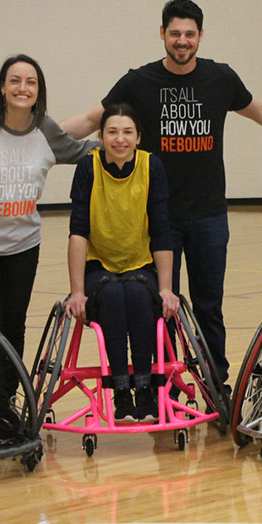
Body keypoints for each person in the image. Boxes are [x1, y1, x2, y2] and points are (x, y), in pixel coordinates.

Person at [60, 0, 262, 386]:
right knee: (163, 305)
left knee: (209, 306)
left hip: (209, 215)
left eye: (189, 34)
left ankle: (215, 382)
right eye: (174, 33)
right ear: (162, 34)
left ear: (200, 37)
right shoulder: (139, 81)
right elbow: (95, 118)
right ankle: (168, 381)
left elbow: (260, 111)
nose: (182, 41)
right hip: (159, 221)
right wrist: (38, 145)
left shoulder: (220, 78)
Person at [0, 54, 98, 365]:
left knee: (14, 324)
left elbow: (80, 151)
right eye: (15, 80)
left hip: (24, 244)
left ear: (39, 90)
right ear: (2, 87)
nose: (22, 88)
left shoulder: (46, 131)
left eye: (30, 82)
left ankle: (9, 396)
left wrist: (121, 140)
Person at [65, 104, 179, 423]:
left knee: (141, 296)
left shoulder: (151, 166)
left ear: (138, 138)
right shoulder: (88, 168)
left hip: (140, 266)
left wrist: (167, 289)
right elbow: (78, 231)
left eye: (127, 132)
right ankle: (120, 391)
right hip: (98, 267)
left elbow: (160, 229)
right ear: (100, 137)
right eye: (112, 132)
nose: (120, 138)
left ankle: (144, 389)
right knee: (114, 296)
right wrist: (76, 292)